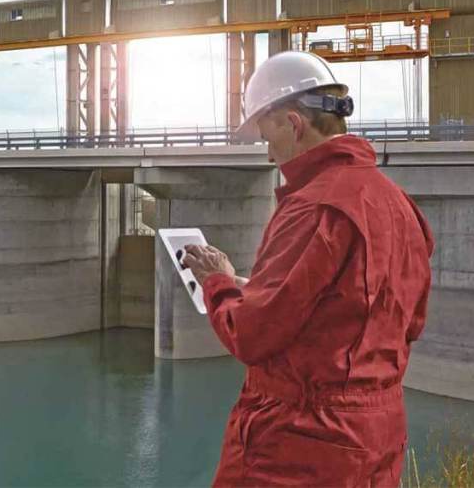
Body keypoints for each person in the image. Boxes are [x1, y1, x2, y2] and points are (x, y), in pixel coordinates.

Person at [181, 51, 434, 487]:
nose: (267, 155)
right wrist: (257, 287)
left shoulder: (313, 206)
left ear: (293, 125)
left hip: (299, 446)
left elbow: (251, 334)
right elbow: (399, 319)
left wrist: (218, 282)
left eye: (267, 137)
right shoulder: (398, 205)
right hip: (375, 439)